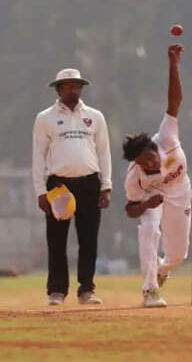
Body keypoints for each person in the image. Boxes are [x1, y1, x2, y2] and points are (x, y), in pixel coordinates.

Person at [32, 68, 112, 306]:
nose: (73, 89)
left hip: (89, 182)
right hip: (59, 185)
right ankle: (57, 291)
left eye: (77, 85)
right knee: (57, 240)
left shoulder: (95, 116)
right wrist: (40, 191)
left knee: (89, 240)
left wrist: (106, 186)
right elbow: (38, 156)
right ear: (58, 89)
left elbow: (104, 152)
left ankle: (86, 289)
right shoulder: (45, 118)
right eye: (67, 85)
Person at [122, 44, 192, 308]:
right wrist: (145, 205)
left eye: (149, 158)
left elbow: (175, 101)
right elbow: (130, 209)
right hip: (152, 198)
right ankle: (149, 290)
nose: (148, 165)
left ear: (154, 147)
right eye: (141, 163)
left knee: (177, 255)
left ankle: (162, 271)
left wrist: (173, 65)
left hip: (180, 192)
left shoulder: (166, 136)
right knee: (149, 229)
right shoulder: (135, 175)